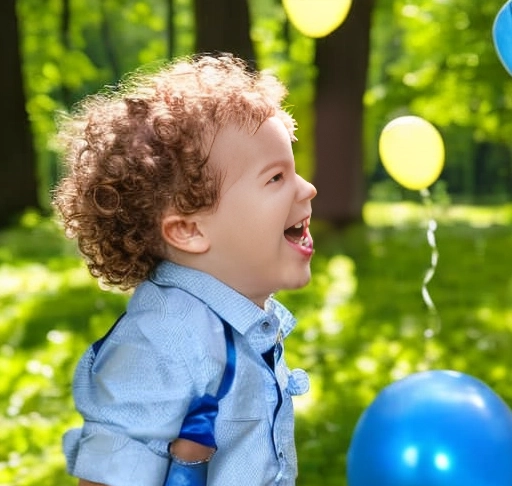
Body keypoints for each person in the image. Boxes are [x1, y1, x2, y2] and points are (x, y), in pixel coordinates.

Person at [53, 52, 317, 486]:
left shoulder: (229, 320)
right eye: (275, 178)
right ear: (190, 231)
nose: (307, 187)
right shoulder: (163, 340)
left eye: (295, 169)